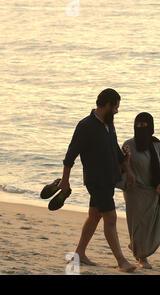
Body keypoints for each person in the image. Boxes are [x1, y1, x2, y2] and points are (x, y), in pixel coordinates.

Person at [58, 88, 136, 273]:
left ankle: (80, 253)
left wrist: (128, 168)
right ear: (107, 105)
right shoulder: (85, 125)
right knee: (110, 217)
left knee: (94, 215)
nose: (117, 111)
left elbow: (115, 150)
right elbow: (70, 155)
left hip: (109, 179)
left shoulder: (109, 124)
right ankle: (121, 261)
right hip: (96, 180)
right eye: (115, 107)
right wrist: (64, 181)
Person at [117, 112, 160, 269]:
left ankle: (135, 246)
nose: (141, 128)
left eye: (144, 125)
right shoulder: (128, 145)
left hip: (154, 190)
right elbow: (121, 167)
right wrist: (126, 160)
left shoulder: (156, 145)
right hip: (134, 191)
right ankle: (142, 257)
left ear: (151, 127)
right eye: (138, 125)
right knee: (137, 225)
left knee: (152, 226)